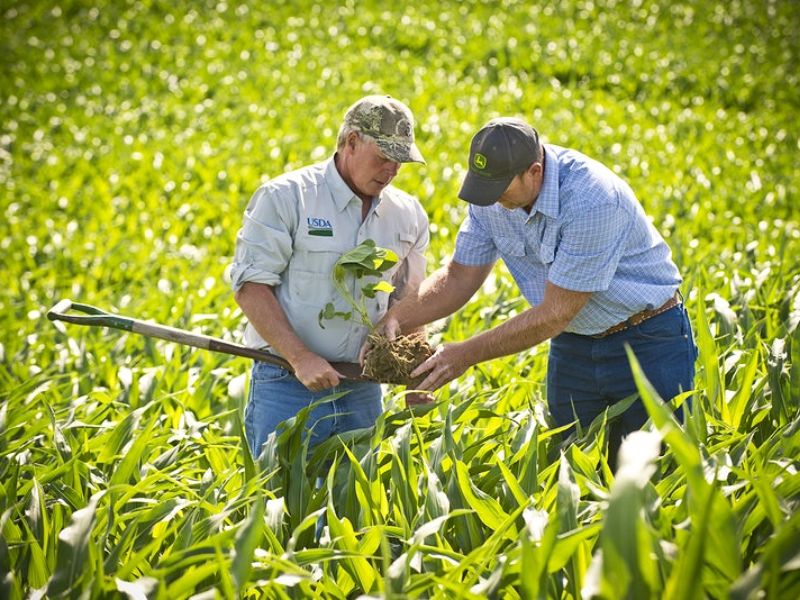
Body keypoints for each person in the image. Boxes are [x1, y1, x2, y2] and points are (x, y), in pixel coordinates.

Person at [370, 117, 697, 461]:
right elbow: (459, 276)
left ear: (535, 171)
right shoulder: (490, 198)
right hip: (574, 344)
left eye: (499, 188)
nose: (491, 200)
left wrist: (465, 354)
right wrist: (399, 317)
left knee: (648, 470)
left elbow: (556, 313)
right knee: (571, 467)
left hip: (646, 341)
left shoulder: (593, 199)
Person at [230, 95, 430, 458]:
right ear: (351, 142)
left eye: (400, 160)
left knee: (354, 508)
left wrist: (414, 372)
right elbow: (251, 286)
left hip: (364, 388)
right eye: (383, 157)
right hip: (286, 384)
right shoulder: (287, 197)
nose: (391, 170)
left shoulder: (407, 214)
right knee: (278, 504)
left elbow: (408, 300)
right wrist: (300, 357)